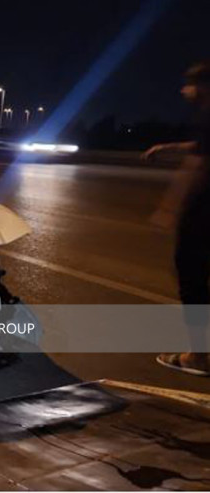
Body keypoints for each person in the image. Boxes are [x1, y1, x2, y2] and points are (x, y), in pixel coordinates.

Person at [143, 61, 210, 376]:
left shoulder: (208, 113)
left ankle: (199, 356)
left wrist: (169, 209)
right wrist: (168, 146)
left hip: (203, 210)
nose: (184, 91)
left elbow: (196, 164)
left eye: (189, 84)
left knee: (192, 277)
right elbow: (200, 146)